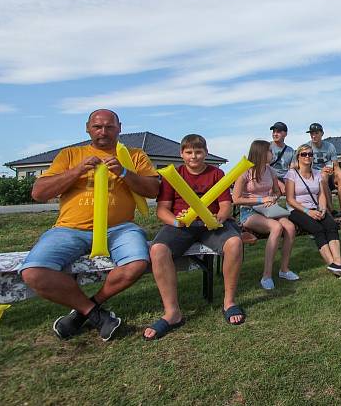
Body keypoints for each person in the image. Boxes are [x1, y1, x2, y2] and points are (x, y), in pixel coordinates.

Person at [21, 109, 159, 341]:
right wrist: (77, 171)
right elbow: (39, 192)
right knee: (34, 273)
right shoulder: (71, 154)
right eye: (97, 126)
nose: (103, 131)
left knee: (137, 264)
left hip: (120, 228)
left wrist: (124, 172)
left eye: (109, 126)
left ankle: (85, 310)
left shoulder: (134, 155)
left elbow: (153, 190)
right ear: (88, 128)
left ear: (119, 128)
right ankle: (94, 314)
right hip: (70, 228)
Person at [145, 134, 245, 339]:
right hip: (181, 225)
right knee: (157, 249)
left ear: (206, 153)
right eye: (189, 152)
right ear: (181, 154)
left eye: (198, 152)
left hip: (212, 223)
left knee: (234, 242)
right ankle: (172, 313)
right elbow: (162, 210)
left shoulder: (217, 173)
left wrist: (220, 217)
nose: (194, 156)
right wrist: (175, 221)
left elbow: (226, 205)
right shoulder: (173, 175)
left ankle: (229, 302)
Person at [233, 140, 298, 290]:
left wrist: (272, 199)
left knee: (290, 227)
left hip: (269, 209)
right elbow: (236, 199)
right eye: (270, 150)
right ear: (261, 153)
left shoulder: (270, 170)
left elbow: (277, 191)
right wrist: (262, 199)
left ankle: (284, 269)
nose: (273, 153)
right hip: (249, 211)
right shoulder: (244, 172)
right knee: (276, 227)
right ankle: (266, 276)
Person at [285, 144, 341, 276]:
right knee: (317, 229)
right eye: (304, 154)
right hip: (297, 210)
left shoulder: (317, 173)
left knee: (331, 225)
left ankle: (338, 262)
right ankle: (332, 263)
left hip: (316, 207)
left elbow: (321, 194)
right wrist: (307, 211)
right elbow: (290, 199)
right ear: (298, 157)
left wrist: (322, 208)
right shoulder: (292, 174)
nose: (308, 156)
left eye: (310, 154)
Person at [306, 123, 341, 217]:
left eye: (316, 133)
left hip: (329, 174)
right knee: (323, 176)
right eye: (311, 133)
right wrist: (321, 171)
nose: (313, 135)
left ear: (322, 133)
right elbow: (304, 167)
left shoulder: (330, 146)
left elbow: (336, 166)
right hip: (315, 176)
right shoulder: (307, 147)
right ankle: (331, 210)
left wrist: (337, 172)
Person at [268, 122, 295, 195]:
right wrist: (279, 183)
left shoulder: (291, 151)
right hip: (269, 177)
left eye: (278, 132)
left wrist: (289, 182)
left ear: (285, 134)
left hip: (284, 177)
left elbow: (292, 169)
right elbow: (264, 168)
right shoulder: (267, 147)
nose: (275, 134)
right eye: (274, 132)